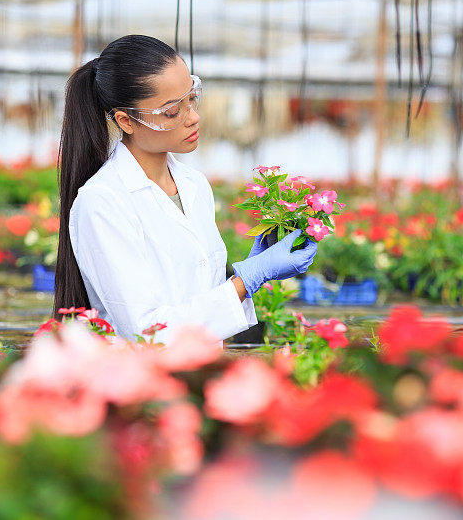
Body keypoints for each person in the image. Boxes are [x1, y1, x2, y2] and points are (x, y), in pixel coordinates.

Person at [52, 35, 318, 344]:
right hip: (141, 383)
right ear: (127, 121)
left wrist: (245, 273)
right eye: (171, 112)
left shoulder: (194, 185)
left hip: (200, 371)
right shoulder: (102, 202)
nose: (193, 117)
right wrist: (247, 280)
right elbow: (147, 333)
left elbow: (197, 294)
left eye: (191, 98)